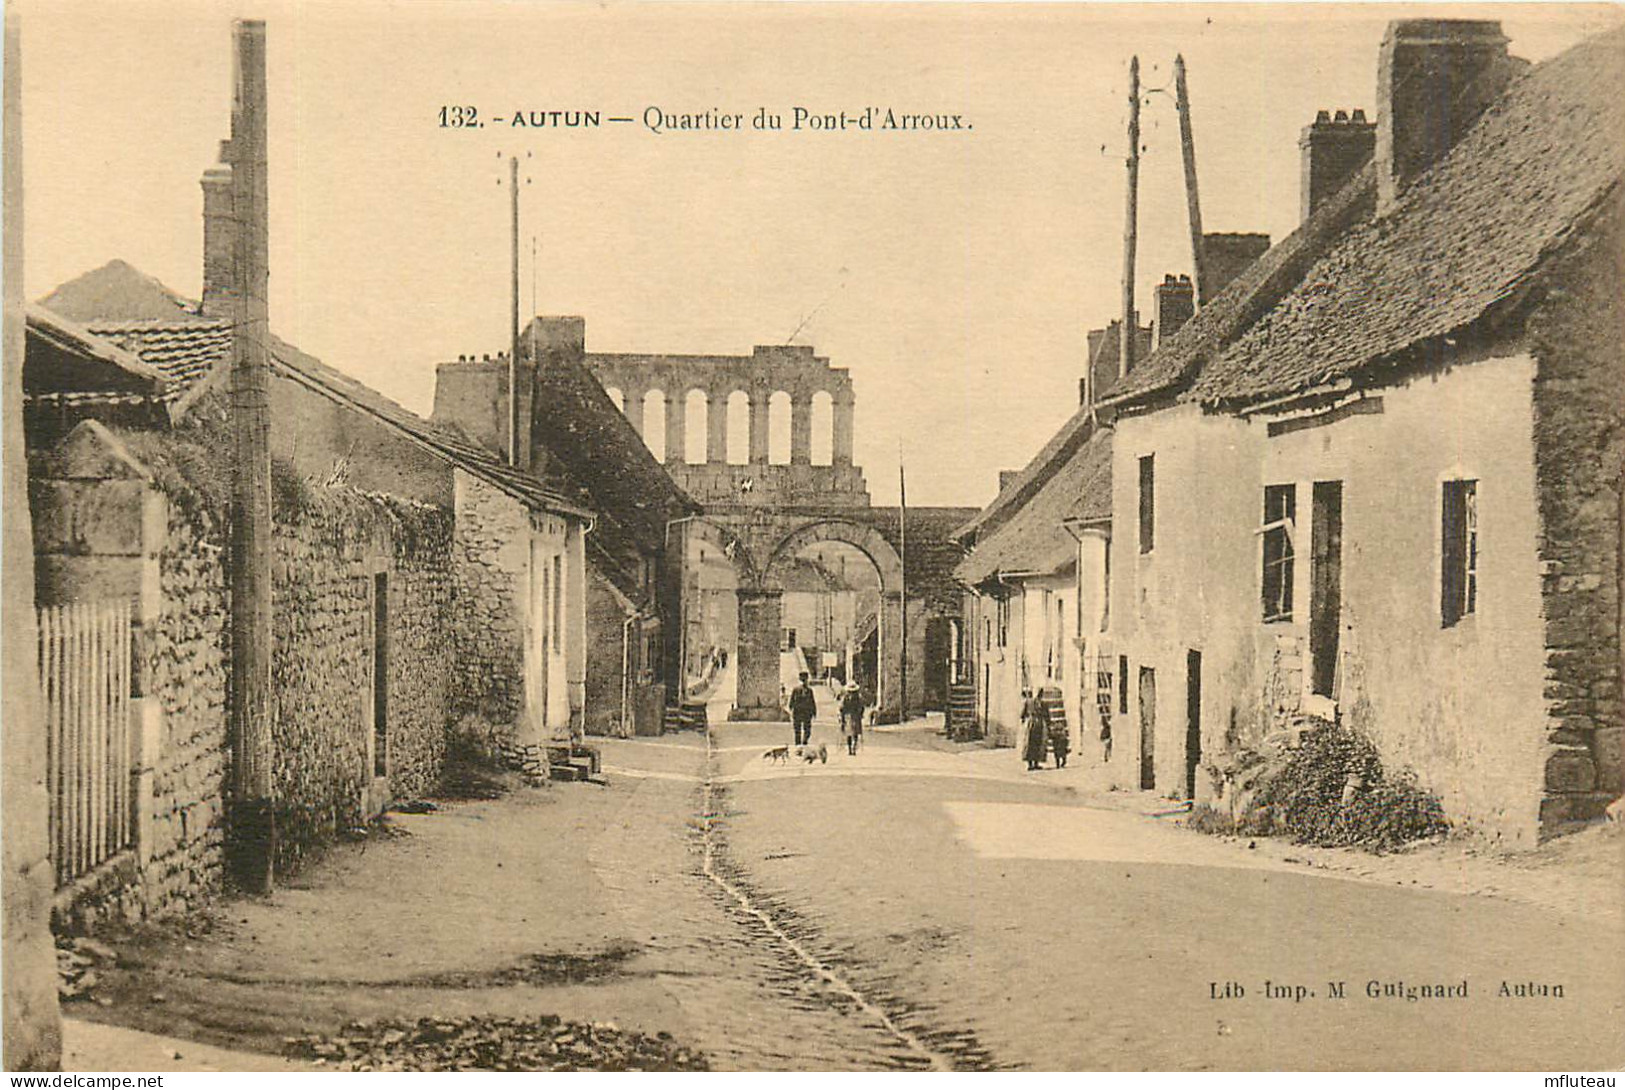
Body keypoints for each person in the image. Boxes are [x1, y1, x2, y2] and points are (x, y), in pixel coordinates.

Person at [1019, 688, 1048, 771]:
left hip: (1032, 723)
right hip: (1037, 723)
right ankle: (1033, 763)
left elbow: (1022, 714)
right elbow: (1046, 715)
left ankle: (1033, 763)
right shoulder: (1039, 703)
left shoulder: (1031, 702)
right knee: (1034, 743)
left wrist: (1023, 719)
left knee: (1033, 742)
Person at [788, 671, 817, 746]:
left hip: (807, 713)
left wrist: (814, 712)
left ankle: (804, 742)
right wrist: (791, 709)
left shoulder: (809, 691)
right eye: (802, 680)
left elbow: (812, 701)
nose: (804, 682)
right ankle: (798, 745)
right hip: (798, 712)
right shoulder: (795, 690)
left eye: (805, 680)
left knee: (807, 730)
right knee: (797, 730)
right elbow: (791, 700)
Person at [839, 680, 866, 756]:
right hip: (853, 716)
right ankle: (852, 747)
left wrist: (842, 716)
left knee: (851, 733)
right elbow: (861, 707)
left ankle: (851, 747)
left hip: (851, 716)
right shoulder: (851, 698)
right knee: (852, 733)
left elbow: (841, 708)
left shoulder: (852, 698)